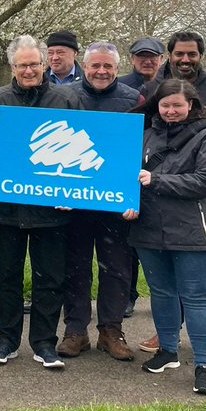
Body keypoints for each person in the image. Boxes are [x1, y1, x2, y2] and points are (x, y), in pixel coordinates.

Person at [0, 35, 82, 370]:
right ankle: (6, 340)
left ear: (44, 63)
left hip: (53, 208)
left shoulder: (65, 98)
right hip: (10, 208)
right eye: (23, 65)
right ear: (13, 67)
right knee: (8, 276)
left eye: (35, 64)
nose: (29, 70)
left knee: (49, 277)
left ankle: (45, 343)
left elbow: (80, 147)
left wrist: (72, 195)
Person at [138, 30, 206, 362]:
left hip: (203, 203)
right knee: (164, 288)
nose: (185, 59)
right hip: (154, 212)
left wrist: (198, 182)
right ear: (169, 55)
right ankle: (168, 338)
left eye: (191, 54)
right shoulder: (151, 93)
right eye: (179, 54)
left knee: (205, 282)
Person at [128, 78, 206, 396]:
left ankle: (203, 366)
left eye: (178, 105)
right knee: (162, 293)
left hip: (195, 231)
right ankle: (168, 351)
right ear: (157, 105)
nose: (171, 111)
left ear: (192, 106)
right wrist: (127, 202)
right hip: (149, 230)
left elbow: (205, 180)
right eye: (165, 105)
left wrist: (156, 180)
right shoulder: (144, 136)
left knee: (196, 297)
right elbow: (128, 176)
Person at [58, 41, 140, 362]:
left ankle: (111, 330)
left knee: (117, 268)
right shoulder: (65, 97)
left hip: (115, 203)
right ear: (85, 66)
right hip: (75, 201)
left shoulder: (134, 100)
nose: (101, 71)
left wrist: (135, 196)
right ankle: (76, 330)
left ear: (116, 68)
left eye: (108, 66)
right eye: (96, 66)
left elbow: (141, 150)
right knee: (75, 266)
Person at [119, 36, 165, 316]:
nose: (147, 61)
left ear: (161, 59)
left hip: (157, 171)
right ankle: (128, 293)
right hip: (126, 170)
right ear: (132, 59)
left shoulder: (168, 86)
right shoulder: (123, 87)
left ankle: (161, 296)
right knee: (126, 242)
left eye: (153, 56)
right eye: (141, 56)